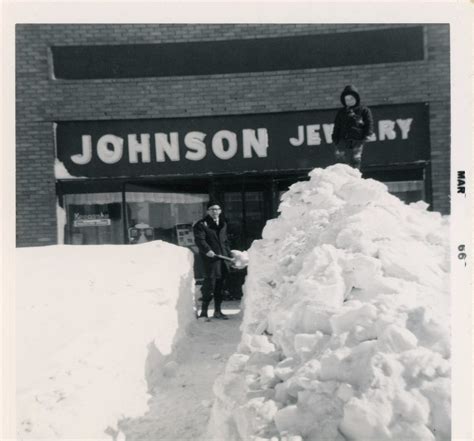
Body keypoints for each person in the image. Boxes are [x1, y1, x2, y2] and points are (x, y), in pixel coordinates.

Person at [193, 200, 232, 320]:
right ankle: (204, 313)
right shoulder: (201, 224)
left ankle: (218, 311)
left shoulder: (223, 223)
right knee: (209, 286)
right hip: (210, 260)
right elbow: (200, 240)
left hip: (222, 259)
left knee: (220, 287)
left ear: (220, 211)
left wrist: (229, 254)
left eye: (217, 209)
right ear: (207, 211)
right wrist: (207, 250)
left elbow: (225, 241)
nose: (215, 211)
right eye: (212, 209)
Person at [332, 85, 374, 170]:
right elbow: (337, 126)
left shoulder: (364, 110)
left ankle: (355, 176)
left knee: (356, 158)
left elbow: (369, 123)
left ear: (356, 99)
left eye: (351, 99)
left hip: (357, 139)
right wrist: (335, 138)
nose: (349, 101)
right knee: (340, 158)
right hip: (342, 139)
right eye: (347, 100)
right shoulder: (341, 112)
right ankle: (342, 176)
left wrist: (367, 134)